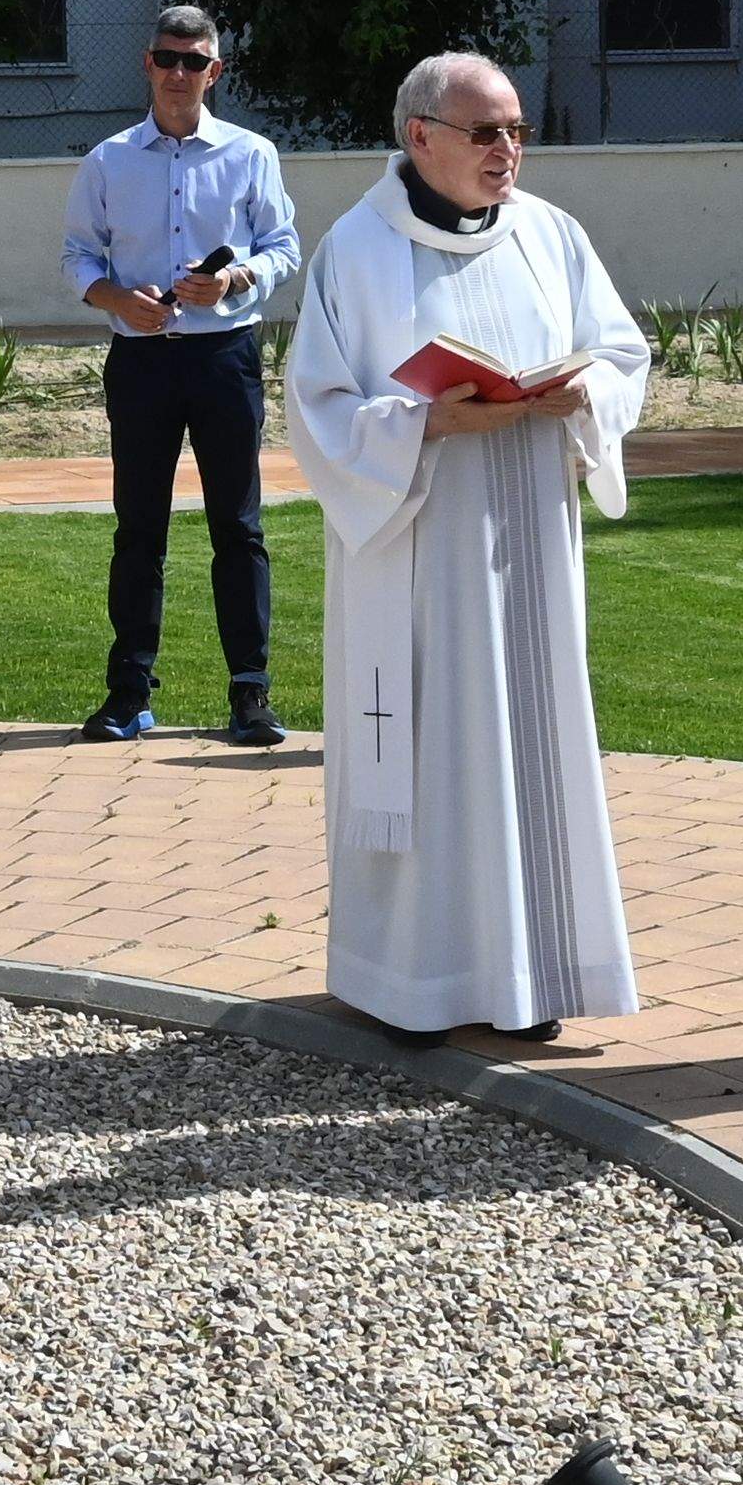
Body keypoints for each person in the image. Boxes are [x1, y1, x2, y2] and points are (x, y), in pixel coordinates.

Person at [289, 53, 648, 1043]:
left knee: (530, 743)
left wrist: (587, 393)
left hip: (530, 536)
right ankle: (414, 983)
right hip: (421, 550)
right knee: (436, 748)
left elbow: (623, 352)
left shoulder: (551, 235)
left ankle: (530, 979)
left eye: (518, 131)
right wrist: (426, 426)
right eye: (486, 132)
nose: (508, 152)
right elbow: (317, 409)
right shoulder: (356, 252)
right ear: (420, 136)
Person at [63, 4, 299, 747]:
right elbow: (77, 256)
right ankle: (129, 693)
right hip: (140, 361)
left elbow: (283, 247)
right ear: (148, 64)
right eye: (167, 58)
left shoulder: (251, 153)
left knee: (239, 527)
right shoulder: (108, 159)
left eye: (194, 62)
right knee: (140, 530)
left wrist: (233, 284)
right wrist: (114, 298)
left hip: (225, 354)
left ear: (215, 72)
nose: (178, 73)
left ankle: (250, 696)